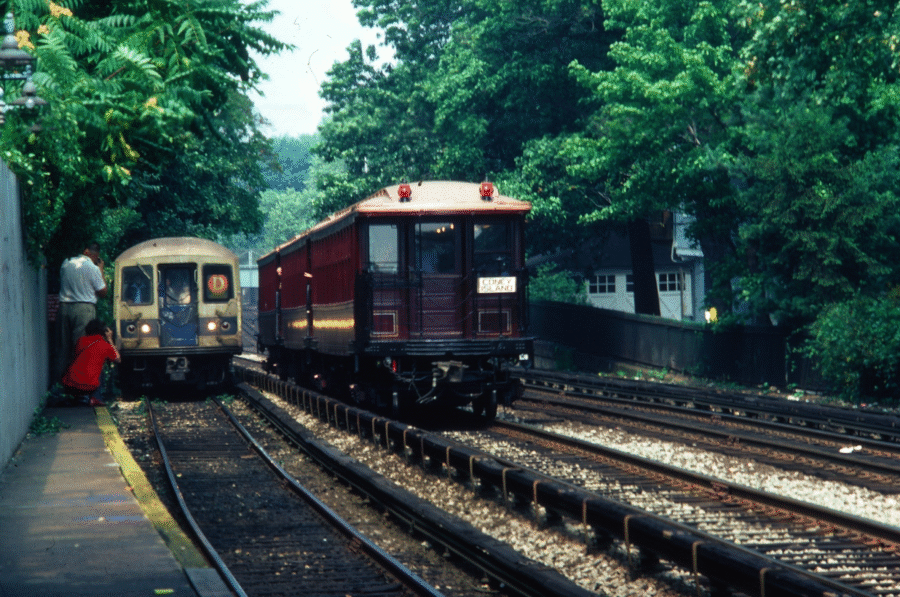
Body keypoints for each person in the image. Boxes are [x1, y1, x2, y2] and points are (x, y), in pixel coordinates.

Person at [54, 242, 108, 381]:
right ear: (95, 255)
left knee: (62, 347)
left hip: (64, 307)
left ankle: (60, 383)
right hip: (84, 309)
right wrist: (100, 269)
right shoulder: (93, 268)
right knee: (81, 348)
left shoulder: (66, 263)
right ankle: (79, 384)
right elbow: (103, 292)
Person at [62, 319, 120, 406]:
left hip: (70, 384)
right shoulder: (105, 345)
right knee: (101, 369)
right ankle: (95, 398)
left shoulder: (81, 340)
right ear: (104, 332)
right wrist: (110, 339)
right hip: (89, 386)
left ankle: (79, 397)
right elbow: (118, 359)